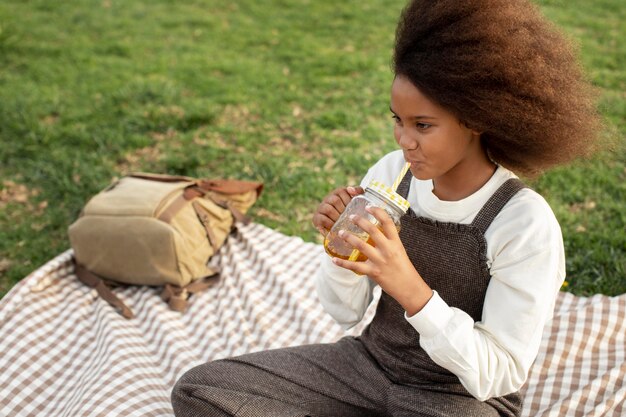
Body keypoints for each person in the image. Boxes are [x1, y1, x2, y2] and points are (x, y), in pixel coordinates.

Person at [171, 0, 600, 416]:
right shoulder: (394, 174)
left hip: (459, 399)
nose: (403, 140)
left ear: (475, 118)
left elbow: (499, 374)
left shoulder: (523, 222)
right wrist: (341, 250)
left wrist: (408, 286)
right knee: (202, 391)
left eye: (422, 125)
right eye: (398, 119)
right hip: (369, 368)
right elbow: (345, 312)